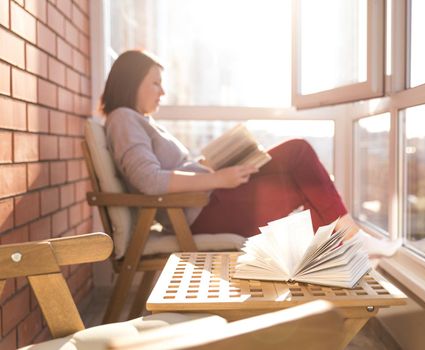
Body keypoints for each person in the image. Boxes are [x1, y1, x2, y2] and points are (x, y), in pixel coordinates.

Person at [100, 50, 401, 257]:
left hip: (207, 200)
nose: (162, 92)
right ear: (131, 81)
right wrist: (218, 178)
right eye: (155, 82)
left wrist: (216, 164)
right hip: (200, 211)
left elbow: (165, 171)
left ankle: (345, 238)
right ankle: (348, 237)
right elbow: (149, 181)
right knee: (299, 159)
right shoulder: (124, 119)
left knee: (298, 158)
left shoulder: (137, 120)